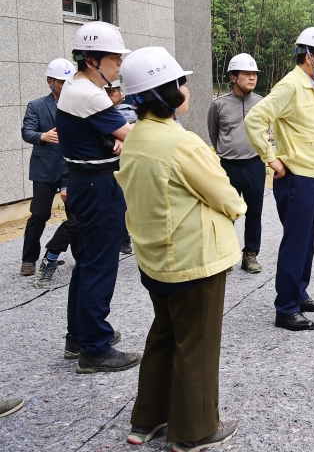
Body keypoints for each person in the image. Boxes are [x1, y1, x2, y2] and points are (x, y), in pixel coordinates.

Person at [117, 46, 243, 452]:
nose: (186, 88)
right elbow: (227, 196)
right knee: (198, 344)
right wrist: (235, 206)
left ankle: (148, 420)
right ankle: (195, 430)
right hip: (194, 260)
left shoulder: (135, 139)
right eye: (181, 82)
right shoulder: (181, 143)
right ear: (168, 92)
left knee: (164, 336)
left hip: (155, 259)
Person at [56, 21, 140, 373]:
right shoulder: (88, 93)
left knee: (88, 262)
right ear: (92, 60)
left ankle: (79, 336)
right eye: (114, 58)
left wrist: (120, 136)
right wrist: (127, 135)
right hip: (98, 186)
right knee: (100, 266)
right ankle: (95, 349)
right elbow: (129, 134)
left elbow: (116, 134)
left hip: (85, 182)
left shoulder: (77, 89)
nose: (119, 63)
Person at [244, 27, 314, 332]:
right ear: (311, 55)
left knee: (308, 240)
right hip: (296, 178)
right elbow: (255, 119)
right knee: (296, 243)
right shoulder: (291, 86)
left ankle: (299, 293)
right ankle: (285, 309)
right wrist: (270, 156)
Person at [20, 59, 78, 288]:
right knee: (39, 214)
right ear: (50, 81)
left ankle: (79, 257)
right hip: (45, 168)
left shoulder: (76, 105)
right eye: (61, 82)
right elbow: (27, 131)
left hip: (71, 168)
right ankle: (29, 259)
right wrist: (42, 137)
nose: (65, 86)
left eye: (68, 82)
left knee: (75, 215)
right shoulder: (36, 105)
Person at [207, 53, 265, 273]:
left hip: (254, 164)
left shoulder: (261, 103)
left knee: (254, 211)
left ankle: (250, 255)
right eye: (247, 74)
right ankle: (226, 255)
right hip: (227, 166)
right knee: (226, 212)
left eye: (254, 74)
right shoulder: (219, 105)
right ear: (233, 76)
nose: (252, 78)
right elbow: (214, 134)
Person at [104, 80, 136, 255]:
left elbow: (141, 128)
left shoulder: (131, 111)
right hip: (105, 164)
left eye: (112, 91)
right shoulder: (98, 111)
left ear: (121, 93)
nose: (109, 94)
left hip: (126, 163)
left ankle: (124, 238)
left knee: (124, 202)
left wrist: (122, 137)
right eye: (106, 91)